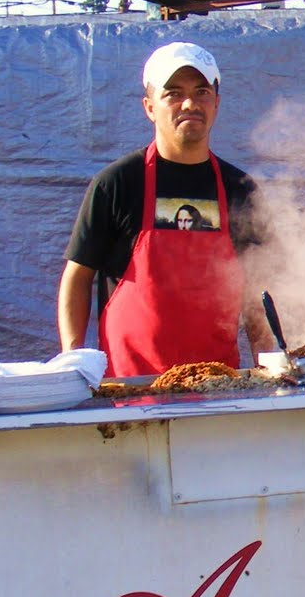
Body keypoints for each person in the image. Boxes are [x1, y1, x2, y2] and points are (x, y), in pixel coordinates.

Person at [59, 42, 273, 376]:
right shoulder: (116, 183)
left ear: (216, 104)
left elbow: (257, 286)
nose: (190, 103)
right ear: (149, 107)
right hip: (129, 388)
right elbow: (78, 276)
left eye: (201, 91)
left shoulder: (240, 189)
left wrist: (267, 365)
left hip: (216, 385)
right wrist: (72, 361)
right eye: (173, 93)